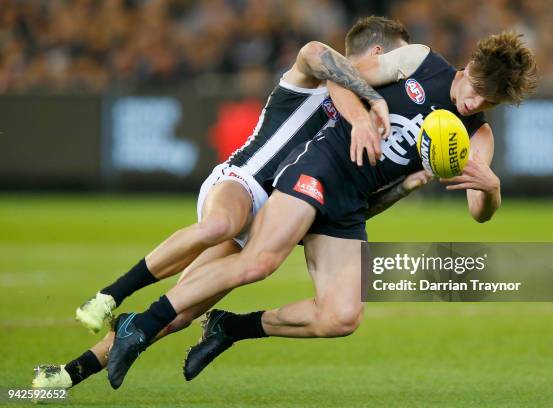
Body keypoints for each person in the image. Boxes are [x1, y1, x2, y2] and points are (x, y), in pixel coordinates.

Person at [105, 20, 538, 388]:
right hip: (322, 166)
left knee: (341, 317)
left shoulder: (477, 136)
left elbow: (478, 212)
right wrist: (361, 120)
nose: (477, 103)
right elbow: (338, 76)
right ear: (471, 66)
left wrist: (492, 189)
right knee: (259, 262)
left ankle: (231, 327)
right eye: (478, 90)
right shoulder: (419, 63)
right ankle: (140, 324)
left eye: (491, 102)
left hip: (351, 203)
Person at [32, 17, 418, 390]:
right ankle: (110, 294)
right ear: (378, 51)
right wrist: (366, 96)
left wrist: (405, 185)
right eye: (400, 60)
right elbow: (315, 50)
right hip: (241, 183)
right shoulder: (320, 77)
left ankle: (65, 375)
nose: (404, 73)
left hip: (266, 224)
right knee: (219, 226)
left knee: (178, 313)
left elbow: (357, 202)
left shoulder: (369, 120)